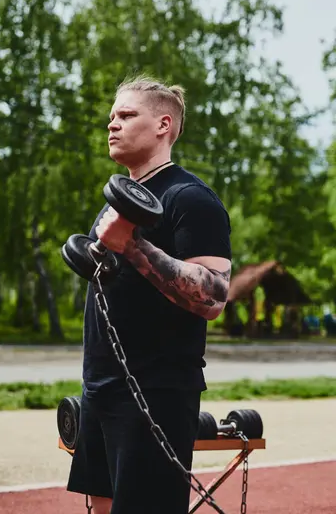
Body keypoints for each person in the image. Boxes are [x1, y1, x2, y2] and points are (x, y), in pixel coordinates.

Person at [67, 76, 232, 514]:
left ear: (163, 125)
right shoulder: (115, 204)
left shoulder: (191, 199)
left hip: (155, 393)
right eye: (111, 118)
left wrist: (135, 246)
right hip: (100, 389)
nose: (112, 126)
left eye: (126, 115)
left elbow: (214, 298)